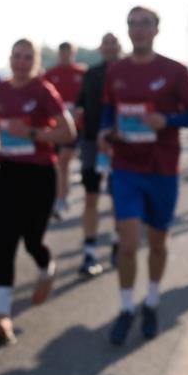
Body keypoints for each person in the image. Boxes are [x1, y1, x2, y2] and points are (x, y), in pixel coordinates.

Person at [98, 6, 188, 345]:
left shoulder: (174, 71)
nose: (138, 29)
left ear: (156, 30)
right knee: (127, 243)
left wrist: (167, 121)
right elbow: (106, 110)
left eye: (145, 24)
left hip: (162, 169)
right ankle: (127, 308)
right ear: (127, 30)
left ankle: (152, 301)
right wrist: (104, 131)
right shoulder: (116, 71)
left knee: (157, 243)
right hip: (126, 167)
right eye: (132, 23)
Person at [0, 39, 76, 344]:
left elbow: (68, 132)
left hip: (39, 174)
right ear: (9, 59)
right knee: (5, 242)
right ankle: (2, 316)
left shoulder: (43, 91)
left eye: (27, 57)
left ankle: (47, 270)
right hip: (7, 172)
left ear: (35, 61)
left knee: (33, 240)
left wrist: (33, 132)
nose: (21, 62)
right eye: (17, 56)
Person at [74, 33, 122, 276]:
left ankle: (116, 243)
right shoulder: (91, 73)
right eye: (106, 43)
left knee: (117, 198)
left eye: (114, 43)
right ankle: (90, 251)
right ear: (101, 48)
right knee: (90, 197)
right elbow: (80, 103)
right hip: (92, 142)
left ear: (120, 47)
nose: (110, 47)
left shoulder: (128, 71)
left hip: (120, 145)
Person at [43, 42, 87, 220]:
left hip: (77, 127)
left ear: (73, 54)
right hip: (54, 128)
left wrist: (81, 110)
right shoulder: (50, 75)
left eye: (69, 53)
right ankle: (59, 194)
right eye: (62, 53)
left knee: (63, 161)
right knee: (56, 164)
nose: (65, 56)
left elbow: (90, 98)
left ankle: (60, 199)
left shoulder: (82, 74)